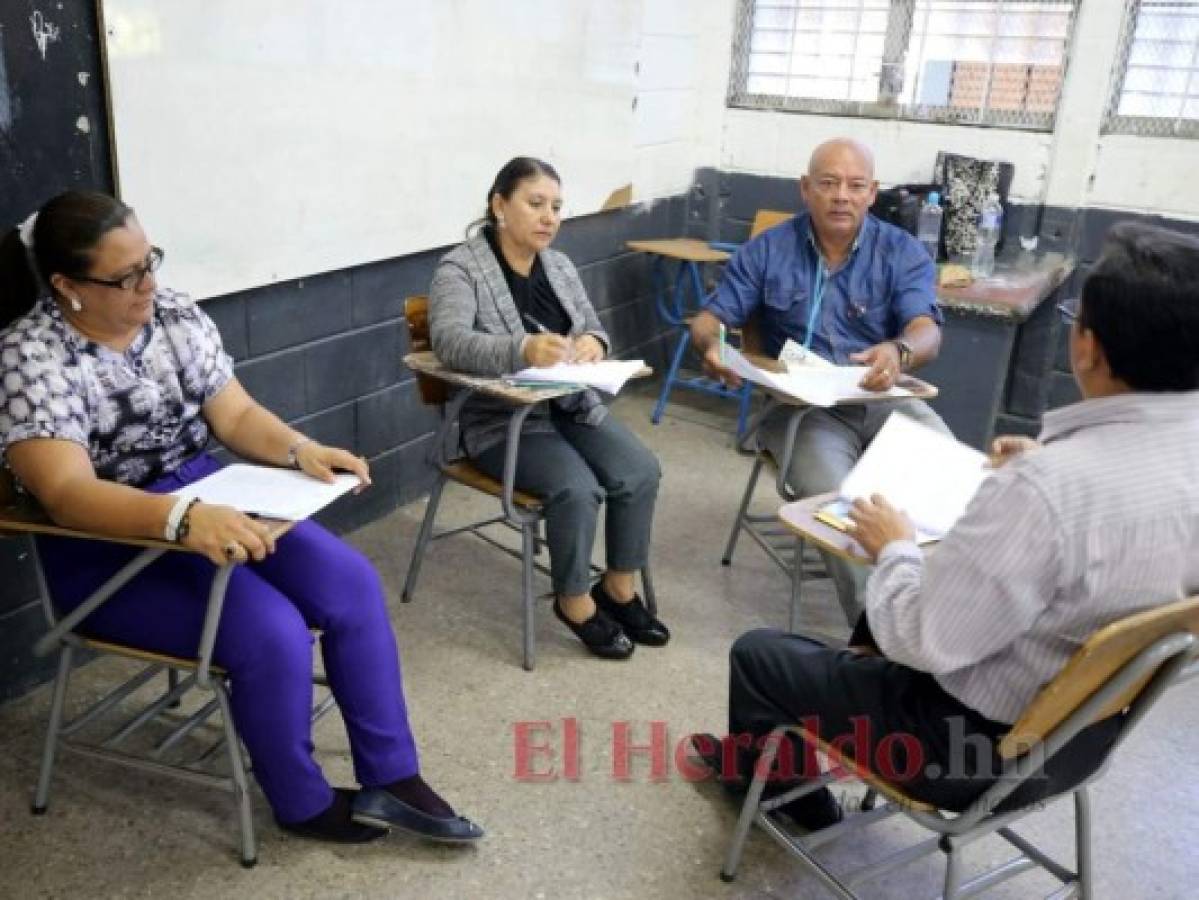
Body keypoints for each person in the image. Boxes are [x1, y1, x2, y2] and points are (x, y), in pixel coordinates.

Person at [0, 190, 482, 844]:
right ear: (66, 284)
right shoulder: (30, 356)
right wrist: (181, 521)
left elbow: (233, 415)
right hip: (107, 544)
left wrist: (300, 450)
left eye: (151, 261)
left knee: (352, 587)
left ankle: (392, 778)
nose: (149, 285)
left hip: (204, 495)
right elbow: (65, 492)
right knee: (274, 633)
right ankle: (300, 802)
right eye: (125, 276)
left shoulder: (169, 313)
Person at [690, 222, 1199, 828]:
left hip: (964, 753)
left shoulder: (1046, 491)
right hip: (1081, 740)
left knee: (760, 654)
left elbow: (919, 639)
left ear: (1086, 348)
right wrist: (1045, 472)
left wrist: (896, 548)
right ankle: (834, 709)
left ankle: (793, 800)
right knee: (869, 624)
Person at [691, 137, 948, 625]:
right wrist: (713, 347)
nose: (841, 196)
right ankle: (877, 639)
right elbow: (709, 320)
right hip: (801, 411)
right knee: (844, 507)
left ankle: (943, 623)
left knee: (958, 484)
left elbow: (926, 329)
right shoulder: (767, 249)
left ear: (873, 193)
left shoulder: (901, 252)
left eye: (855, 186)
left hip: (882, 397)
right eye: (828, 184)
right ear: (805, 189)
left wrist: (899, 350)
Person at [429, 157, 667, 660]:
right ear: (499, 205)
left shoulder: (558, 265)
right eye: (535, 204)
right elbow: (448, 342)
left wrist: (593, 347)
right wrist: (521, 349)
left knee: (639, 471)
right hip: (502, 422)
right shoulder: (460, 268)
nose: (549, 217)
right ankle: (574, 601)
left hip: (572, 406)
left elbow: (594, 327)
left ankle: (618, 590)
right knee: (577, 489)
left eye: (556, 207)